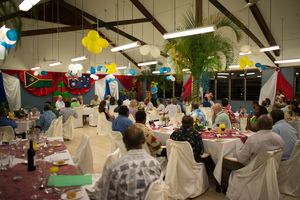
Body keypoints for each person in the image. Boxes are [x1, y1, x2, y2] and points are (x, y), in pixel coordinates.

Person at [222, 115, 285, 193]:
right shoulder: (279, 138)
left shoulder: (253, 139)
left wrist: (239, 151)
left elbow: (241, 159)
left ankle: (229, 187)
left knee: (223, 162)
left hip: (252, 167)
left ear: (258, 125)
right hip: (270, 166)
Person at [100, 125, 161, 200]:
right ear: (143, 140)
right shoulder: (155, 164)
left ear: (123, 140)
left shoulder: (115, 167)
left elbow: (107, 196)